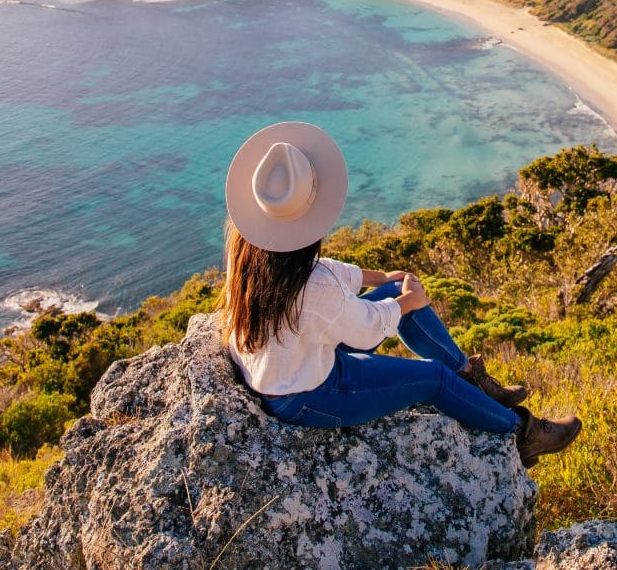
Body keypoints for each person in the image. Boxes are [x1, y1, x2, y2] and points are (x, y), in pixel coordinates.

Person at [219, 120, 581, 467]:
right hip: (306, 396)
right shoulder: (315, 289)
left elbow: (324, 273)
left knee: (396, 294)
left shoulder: (250, 258)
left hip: (294, 365)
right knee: (434, 379)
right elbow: (365, 329)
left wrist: (385, 280)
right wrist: (409, 302)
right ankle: (521, 432)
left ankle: (470, 376)